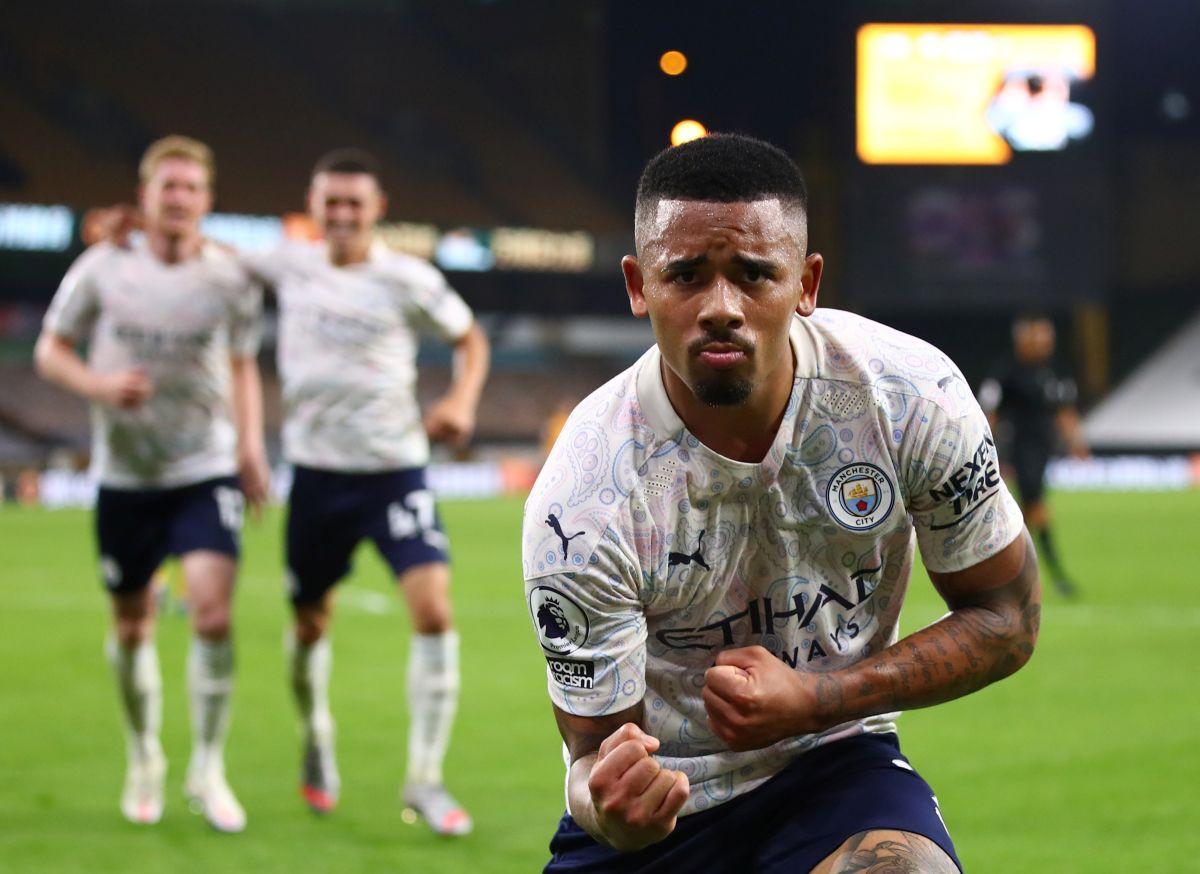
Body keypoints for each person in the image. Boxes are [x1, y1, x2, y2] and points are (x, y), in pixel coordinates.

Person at [521, 134, 1041, 872]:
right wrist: (607, 805)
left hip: (833, 768)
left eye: (755, 274)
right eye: (687, 276)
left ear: (807, 282)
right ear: (638, 285)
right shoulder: (582, 501)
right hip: (672, 807)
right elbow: (591, 753)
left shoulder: (908, 398)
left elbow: (1007, 618)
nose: (722, 308)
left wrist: (819, 699)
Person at [246, 149, 489, 834]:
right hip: (317, 476)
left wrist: (462, 402)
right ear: (313, 206)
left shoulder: (408, 277)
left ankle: (425, 779)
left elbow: (470, 339)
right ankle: (316, 737)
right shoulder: (286, 264)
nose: (344, 214)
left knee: (435, 611)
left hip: (394, 470)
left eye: (356, 203)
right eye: (332, 202)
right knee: (308, 624)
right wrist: (125, 230)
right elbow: (201, 250)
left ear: (377, 208)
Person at [34, 135, 268, 833]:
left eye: (191, 188)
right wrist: (97, 385)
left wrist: (252, 444)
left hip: (204, 468)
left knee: (213, 614)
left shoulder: (230, 277)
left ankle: (207, 766)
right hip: (125, 476)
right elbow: (50, 349)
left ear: (207, 201)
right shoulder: (101, 268)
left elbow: (244, 362)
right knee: (132, 626)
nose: (178, 198)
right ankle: (144, 757)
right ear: (145, 196)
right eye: (167, 186)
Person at [979, 314, 1089, 596]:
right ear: (1022, 340)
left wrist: (1075, 440)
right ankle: (1053, 574)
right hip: (1019, 447)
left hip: (1043, 449)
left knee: (1028, 512)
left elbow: (1063, 409)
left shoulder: (1054, 371)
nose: (1045, 344)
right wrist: (982, 444)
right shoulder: (1007, 371)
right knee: (1034, 507)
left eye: (1047, 338)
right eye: (1039, 338)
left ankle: (1012, 572)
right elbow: (989, 411)